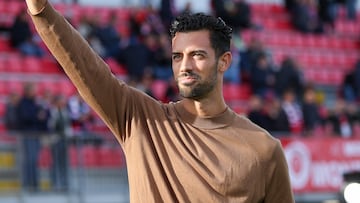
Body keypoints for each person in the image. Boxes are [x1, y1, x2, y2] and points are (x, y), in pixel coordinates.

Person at [25, 0, 294, 202]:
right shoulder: (140, 120)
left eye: (197, 55)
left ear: (224, 61)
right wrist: (41, 10)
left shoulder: (264, 150)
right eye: (178, 57)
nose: (185, 66)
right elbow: (87, 68)